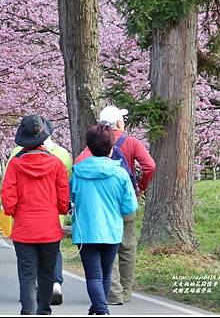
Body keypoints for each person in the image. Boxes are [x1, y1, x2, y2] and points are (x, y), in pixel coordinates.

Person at [75, 105, 156, 305]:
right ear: (119, 123)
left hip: (100, 205)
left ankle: (113, 294)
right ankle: (126, 292)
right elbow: (150, 165)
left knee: (105, 242)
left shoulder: (95, 143)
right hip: (125, 200)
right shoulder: (131, 142)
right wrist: (140, 188)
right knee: (127, 247)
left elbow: (79, 163)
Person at [1, 114, 70, 315]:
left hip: (23, 228)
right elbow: (63, 199)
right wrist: (61, 210)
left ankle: (28, 310)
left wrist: (13, 211)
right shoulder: (56, 164)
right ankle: (44, 310)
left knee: (27, 274)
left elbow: (8, 195)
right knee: (47, 273)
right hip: (49, 227)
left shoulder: (15, 163)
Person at [71, 124, 138, 315]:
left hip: (86, 231)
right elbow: (129, 207)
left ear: (89, 147)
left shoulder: (78, 172)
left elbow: (71, 198)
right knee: (106, 274)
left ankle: (99, 309)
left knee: (93, 275)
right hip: (112, 231)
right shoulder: (120, 173)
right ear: (111, 147)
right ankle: (101, 309)